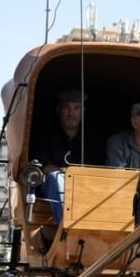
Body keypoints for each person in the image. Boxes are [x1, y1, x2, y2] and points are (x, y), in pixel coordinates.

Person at [29, 89, 101, 225]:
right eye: (66, 108)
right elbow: (45, 168)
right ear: (59, 110)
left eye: (76, 108)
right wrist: (67, 173)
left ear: (82, 111)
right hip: (52, 187)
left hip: (85, 186)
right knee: (55, 177)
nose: (71, 113)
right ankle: (66, 228)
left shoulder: (93, 140)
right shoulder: (45, 136)